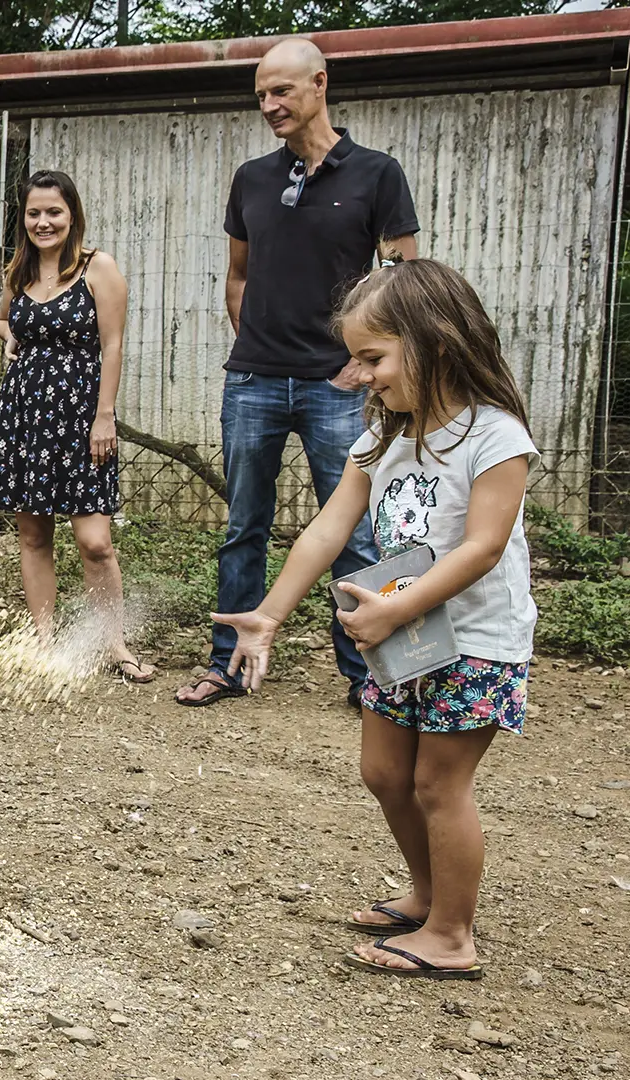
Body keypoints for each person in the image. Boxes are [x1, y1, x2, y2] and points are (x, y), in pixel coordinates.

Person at [214, 258, 537, 979]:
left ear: (436, 342)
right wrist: (268, 615)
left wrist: (393, 609)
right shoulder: (381, 439)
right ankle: (427, 896)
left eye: (373, 357)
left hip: (476, 640)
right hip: (405, 632)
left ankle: (452, 935)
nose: (360, 375)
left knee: (437, 785)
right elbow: (328, 531)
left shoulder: (495, 436)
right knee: (384, 771)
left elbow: (484, 546)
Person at [177, 37, 421, 708]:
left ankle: (370, 675)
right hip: (252, 380)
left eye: (281, 91)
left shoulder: (377, 173)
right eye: (261, 94)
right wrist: (255, 342)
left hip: (334, 389)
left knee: (355, 532)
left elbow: (405, 282)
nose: (269, 105)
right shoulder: (252, 178)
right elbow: (238, 276)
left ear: (319, 84)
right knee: (242, 530)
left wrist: (361, 363)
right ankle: (228, 663)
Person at [0, 170, 152, 683]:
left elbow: (113, 345)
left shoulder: (97, 268)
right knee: (33, 536)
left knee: (95, 540)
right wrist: (7, 335)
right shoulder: (19, 271)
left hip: (82, 416)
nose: (43, 222)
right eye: (34, 213)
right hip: (26, 416)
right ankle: (44, 641)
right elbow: (0, 316)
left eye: (53, 212)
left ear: (72, 214)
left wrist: (105, 415)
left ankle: (114, 643)